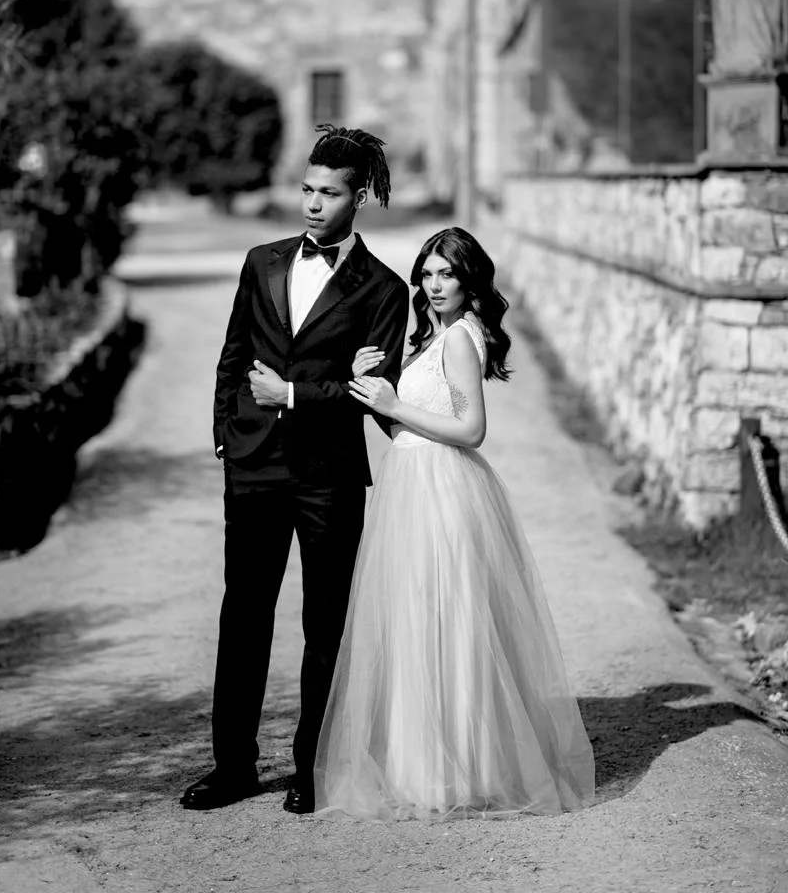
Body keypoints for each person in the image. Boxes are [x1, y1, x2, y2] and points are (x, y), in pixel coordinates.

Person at [313, 227, 595, 820]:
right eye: (428, 273)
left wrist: (392, 405)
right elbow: (410, 424)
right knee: (417, 623)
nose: (434, 284)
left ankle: (459, 767)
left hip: (443, 490)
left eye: (447, 274)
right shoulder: (430, 338)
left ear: (471, 283)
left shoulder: (462, 339)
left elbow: (471, 430)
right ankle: (427, 766)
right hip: (412, 483)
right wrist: (373, 390)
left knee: (448, 622)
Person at [181, 125, 409, 815]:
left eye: (328, 193)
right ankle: (234, 767)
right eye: (307, 189)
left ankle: (314, 766)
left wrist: (296, 396)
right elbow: (233, 353)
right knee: (243, 615)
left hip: (329, 474)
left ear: (358, 197)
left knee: (326, 622)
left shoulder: (384, 291)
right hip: (252, 465)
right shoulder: (263, 261)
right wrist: (227, 435)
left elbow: (378, 392)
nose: (312, 203)